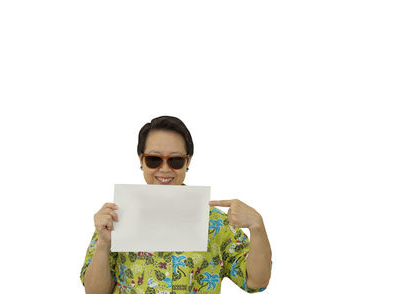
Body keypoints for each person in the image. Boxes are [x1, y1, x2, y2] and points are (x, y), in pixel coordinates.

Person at [81, 116, 272, 294]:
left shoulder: (216, 222)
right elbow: (95, 291)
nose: (164, 169)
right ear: (141, 160)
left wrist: (257, 226)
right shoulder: (116, 218)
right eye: (154, 159)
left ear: (187, 161)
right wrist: (104, 243)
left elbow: (256, 282)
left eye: (175, 160)